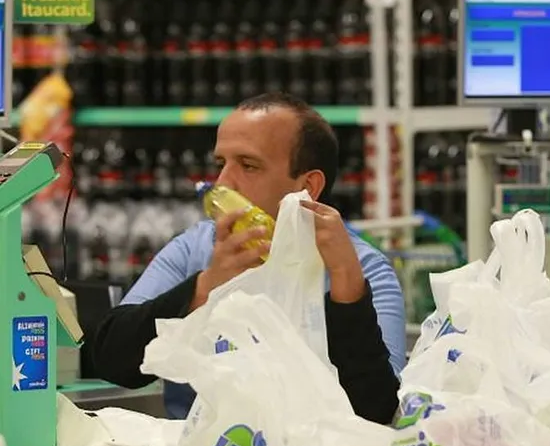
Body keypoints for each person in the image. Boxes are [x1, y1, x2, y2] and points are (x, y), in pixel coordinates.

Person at [85, 93, 405, 423]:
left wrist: (347, 293)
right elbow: (112, 359)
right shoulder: (196, 248)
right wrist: (206, 286)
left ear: (307, 186)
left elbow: (378, 416)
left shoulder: (363, 269)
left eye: (249, 166)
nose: (223, 183)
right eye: (221, 164)